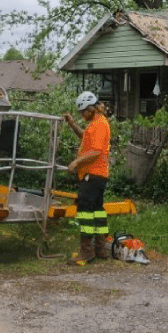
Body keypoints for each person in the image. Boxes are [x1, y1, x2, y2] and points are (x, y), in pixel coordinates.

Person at [63, 91, 111, 265]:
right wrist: (72, 124)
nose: (82, 115)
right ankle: (101, 249)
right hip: (97, 175)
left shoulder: (99, 124)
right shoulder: (96, 123)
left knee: (85, 212)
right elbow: (86, 138)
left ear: (90, 109)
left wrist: (76, 162)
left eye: (83, 112)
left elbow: (96, 151)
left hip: (93, 175)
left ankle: (86, 252)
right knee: (98, 211)